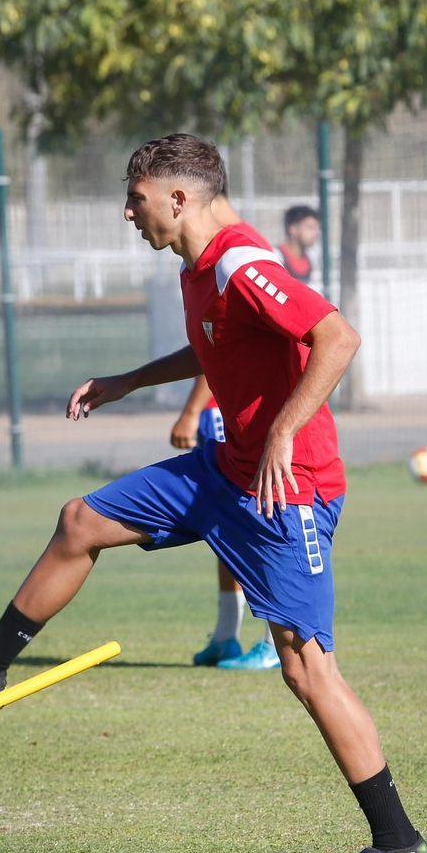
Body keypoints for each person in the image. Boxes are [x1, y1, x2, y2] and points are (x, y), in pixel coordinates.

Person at [0, 134, 427, 853]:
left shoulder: (244, 262)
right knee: (80, 522)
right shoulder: (197, 269)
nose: (127, 211)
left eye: (135, 197)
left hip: (288, 488)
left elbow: (336, 337)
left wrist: (280, 431)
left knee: (308, 671)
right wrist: (128, 381)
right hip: (225, 471)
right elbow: (215, 349)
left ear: (177, 198)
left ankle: (399, 842)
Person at [173, 193, 278, 671]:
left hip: (234, 415)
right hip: (228, 415)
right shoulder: (203, 257)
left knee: (252, 521)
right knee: (222, 527)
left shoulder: (237, 255)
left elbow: (219, 344)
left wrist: (190, 410)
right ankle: (226, 636)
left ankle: (272, 640)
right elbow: (210, 340)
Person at [277, 205, 321, 292]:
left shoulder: (311, 258)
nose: (316, 233)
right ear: (292, 229)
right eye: (310, 227)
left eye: (317, 228)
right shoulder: (277, 257)